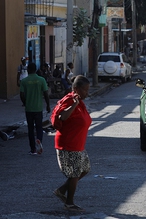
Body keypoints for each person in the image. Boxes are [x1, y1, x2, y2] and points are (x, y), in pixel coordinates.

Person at [53, 75, 91, 212]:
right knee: (74, 173)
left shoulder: (80, 102)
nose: (87, 93)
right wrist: (74, 104)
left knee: (85, 169)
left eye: (88, 90)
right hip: (68, 144)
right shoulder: (70, 100)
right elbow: (62, 117)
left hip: (78, 144)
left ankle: (62, 190)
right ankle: (69, 202)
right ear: (76, 89)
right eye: (85, 90)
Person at [20, 63, 50, 155]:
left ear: (28, 70)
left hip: (29, 109)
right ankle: (39, 140)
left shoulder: (24, 81)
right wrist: (48, 105)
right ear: (36, 69)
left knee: (30, 129)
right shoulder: (41, 80)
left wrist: (25, 103)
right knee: (39, 127)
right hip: (38, 108)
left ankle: (32, 149)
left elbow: (21, 94)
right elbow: (45, 93)